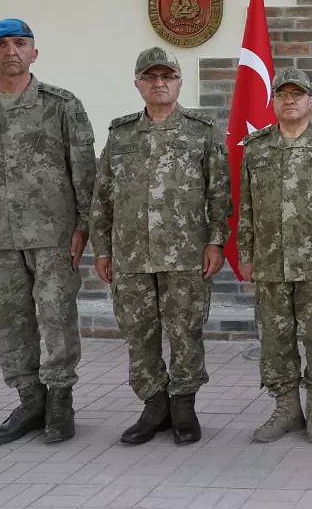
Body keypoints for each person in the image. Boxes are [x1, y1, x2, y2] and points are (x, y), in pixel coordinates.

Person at [0, 18, 96, 445]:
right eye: (2, 45)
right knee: (11, 322)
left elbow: (84, 170)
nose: (11, 51)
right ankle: (30, 402)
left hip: (53, 235)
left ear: (34, 53)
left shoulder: (61, 104)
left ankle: (60, 403)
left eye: (20, 43)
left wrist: (84, 224)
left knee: (56, 319)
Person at [90, 47, 231, 446]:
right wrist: (103, 249)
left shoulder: (202, 131)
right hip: (131, 255)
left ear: (179, 82)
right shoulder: (120, 134)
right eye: (150, 77)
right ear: (138, 83)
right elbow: (102, 196)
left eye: (167, 76)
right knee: (139, 333)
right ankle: (154, 405)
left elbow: (219, 194)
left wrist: (216, 242)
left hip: (185, 254)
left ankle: (183, 405)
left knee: (186, 331)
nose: (159, 83)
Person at [238, 66, 312, 443]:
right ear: (273, 101)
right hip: (271, 263)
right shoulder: (256, 149)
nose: (289, 100)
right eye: (282, 94)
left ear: (311, 102)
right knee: (275, 341)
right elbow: (246, 207)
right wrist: (245, 253)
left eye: (296, 94)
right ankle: (287, 410)